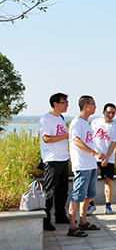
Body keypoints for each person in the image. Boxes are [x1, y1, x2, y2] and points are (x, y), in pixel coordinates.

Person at [67, 96, 105, 237]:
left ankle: (83, 221)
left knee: (88, 196)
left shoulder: (86, 123)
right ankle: (72, 226)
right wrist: (94, 153)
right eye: (93, 104)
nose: (95, 107)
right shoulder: (76, 122)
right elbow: (76, 140)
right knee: (77, 196)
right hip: (82, 165)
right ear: (86, 105)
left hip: (91, 165)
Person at [40, 93, 71, 231]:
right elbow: (46, 138)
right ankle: (45, 219)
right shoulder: (46, 119)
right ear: (55, 104)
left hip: (63, 158)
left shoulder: (62, 118)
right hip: (52, 159)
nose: (67, 104)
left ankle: (60, 215)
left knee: (63, 189)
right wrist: (65, 136)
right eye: (64, 102)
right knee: (50, 190)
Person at [90, 103, 116, 214]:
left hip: (108, 158)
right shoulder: (95, 123)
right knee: (92, 180)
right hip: (94, 156)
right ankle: (91, 204)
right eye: (109, 112)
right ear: (103, 112)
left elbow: (113, 143)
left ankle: (108, 205)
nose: (111, 115)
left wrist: (106, 158)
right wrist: (93, 154)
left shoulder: (115, 126)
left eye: (113, 113)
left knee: (108, 180)